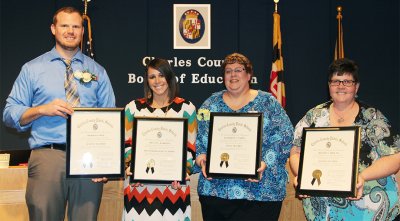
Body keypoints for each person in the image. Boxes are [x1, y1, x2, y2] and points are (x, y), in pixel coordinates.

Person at [2, 7, 115, 221]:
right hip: (48, 156)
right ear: (54, 29)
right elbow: (9, 114)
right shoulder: (32, 69)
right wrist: (41, 109)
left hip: (88, 161)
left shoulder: (98, 72)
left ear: (82, 31)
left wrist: (105, 162)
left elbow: (109, 120)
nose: (70, 31)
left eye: (75, 26)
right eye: (64, 26)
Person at [289, 58, 400, 220]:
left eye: (347, 81)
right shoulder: (314, 116)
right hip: (324, 208)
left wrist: (362, 176)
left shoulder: (373, 117)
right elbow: (296, 152)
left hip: (370, 206)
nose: (341, 86)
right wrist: (304, 175)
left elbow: (395, 157)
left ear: (357, 87)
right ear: (329, 86)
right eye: (335, 81)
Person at [195, 52, 294, 220]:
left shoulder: (268, 103)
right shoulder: (209, 105)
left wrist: (264, 162)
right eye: (228, 71)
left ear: (249, 75)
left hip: (260, 193)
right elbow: (201, 142)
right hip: (216, 193)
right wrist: (202, 158)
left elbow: (286, 137)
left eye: (238, 70)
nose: (233, 74)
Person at [123, 58, 197, 220]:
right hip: (139, 189)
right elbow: (126, 145)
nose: (157, 81)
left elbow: (190, 147)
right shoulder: (133, 108)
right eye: (152, 77)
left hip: (174, 189)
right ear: (147, 81)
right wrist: (132, 169)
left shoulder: (186, 108)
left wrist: (183, 171)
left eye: (161, 75)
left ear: (169, 77)